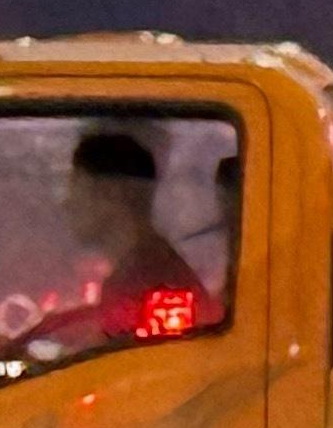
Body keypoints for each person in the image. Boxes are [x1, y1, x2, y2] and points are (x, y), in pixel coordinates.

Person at [20, 129, 209, 360]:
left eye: (76, 186)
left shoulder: (160, 286)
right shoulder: (139, 275)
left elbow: (153, 370)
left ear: (112, 194)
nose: (67, 203)